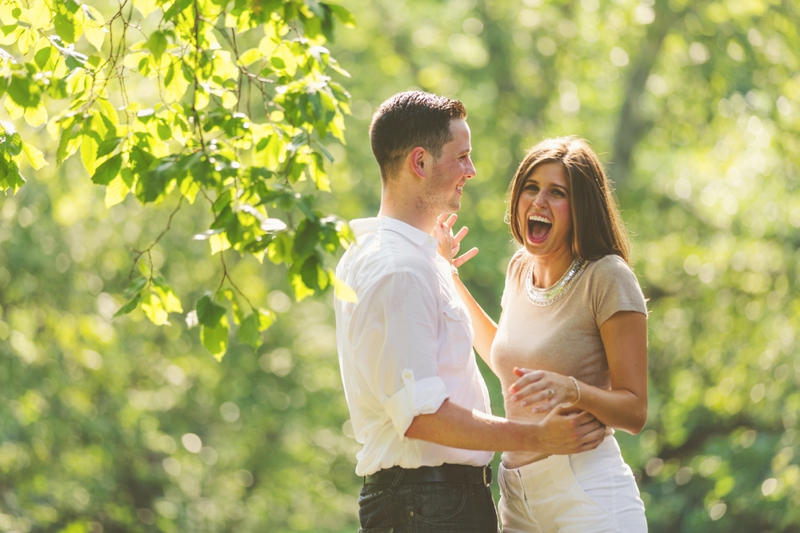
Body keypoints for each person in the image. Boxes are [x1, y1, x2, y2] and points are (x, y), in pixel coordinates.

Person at [334, 93, 606, 533]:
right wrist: (537, 437)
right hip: (427, 505)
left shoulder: (404, 258)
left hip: (432, 502)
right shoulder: (399, 269)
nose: (471, 171)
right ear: (420, 163)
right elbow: (422, 415)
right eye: (462, 157)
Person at [436, 136, 649, 532]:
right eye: (531, 188)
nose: (538, 202)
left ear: (582, 207)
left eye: (557, 193)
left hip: (586, 489)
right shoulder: (520, 268)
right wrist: (448, 277)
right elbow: (503, 353)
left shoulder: (607, 276)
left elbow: (635, 412)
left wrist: (573, 390)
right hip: (516, 496)